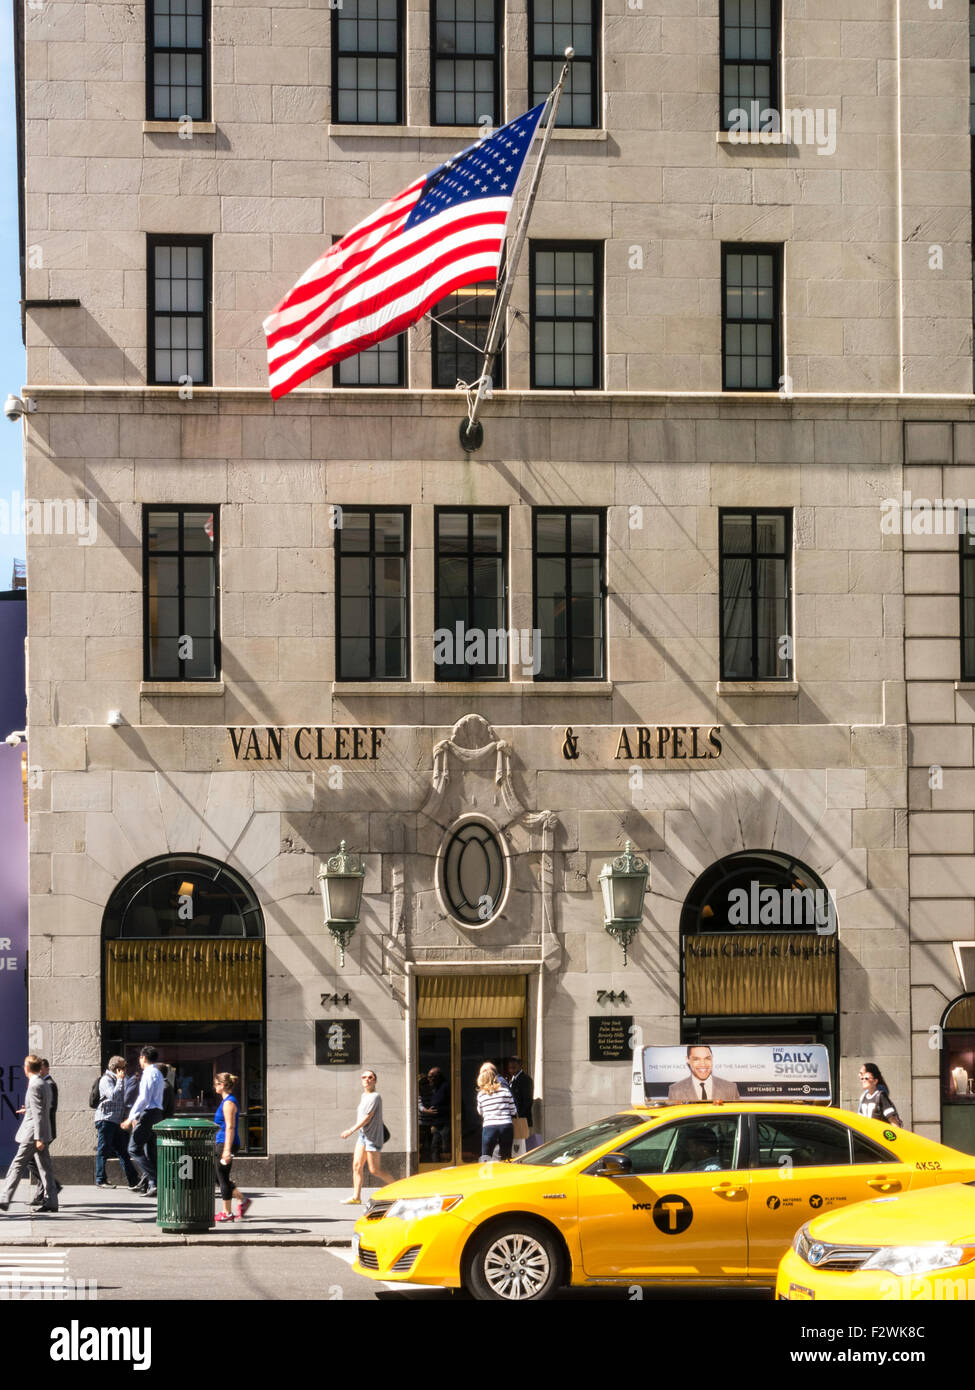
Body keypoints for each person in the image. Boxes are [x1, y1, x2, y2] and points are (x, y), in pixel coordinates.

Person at [0, 1055, 57, 1213]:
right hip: (41, 1132)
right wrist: (29, 1111)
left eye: (24, 1065)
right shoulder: (44, 1084)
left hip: (32, 1134)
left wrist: (38, 1137)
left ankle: (5, 1198)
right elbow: (43, 1109)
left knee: (17, 1164)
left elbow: (39, 1113)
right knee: (45, 1168)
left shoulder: (34, 1085)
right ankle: (52, 1201)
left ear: (27, 1068)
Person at [340, 1070, 395, 1205]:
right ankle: (356, 1197)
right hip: (363, 1136)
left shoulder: (376, 1097)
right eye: (364, 1077)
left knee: (374, 1170)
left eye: (370, 1077)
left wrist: (350, 1130)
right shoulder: (364, 1096)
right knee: (357, 1166)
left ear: (375, 1081)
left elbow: (367, 1117)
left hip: (373, 1137)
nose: (367, 1079)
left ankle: (399, 1189)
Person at [120, 1045, 165, 1197]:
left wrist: (130, 1117)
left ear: (143, 1058)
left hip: (149, 1113)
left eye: (140, 1057)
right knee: (150, 1150)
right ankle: (153, 1184)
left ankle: (155, 1179)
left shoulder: (148, 1073)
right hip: (157, 1113)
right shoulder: (158, 1073)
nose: (139, 1060)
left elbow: (144, 1098)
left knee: (133, 1148)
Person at [94, 1056, 141, 1190]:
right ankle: (100, 1179)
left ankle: (133, 1180)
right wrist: (120, 1081)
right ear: (116, 1069)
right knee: (103, 1150)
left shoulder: (119, 1080)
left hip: (116, 1121)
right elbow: (113, 1096)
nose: (126, 1070)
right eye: (123, 1067)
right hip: (106, 1119)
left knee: (123, 1151)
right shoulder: (106, 1080)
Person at [213, 1072, 252, 1223]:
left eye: (216, 1084)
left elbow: (230, 1127)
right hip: (222, 1142)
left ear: (222, 1085)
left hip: (226, 1143)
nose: (214, 1087)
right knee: (218, 1176)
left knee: (222, 1177)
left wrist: (226, 1151)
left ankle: (227, 1213)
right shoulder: (226, 1101)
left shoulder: (229, 1103)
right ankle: (242, 1199)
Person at [667, 1044, 740, 1104]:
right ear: (688, 1060)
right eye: (696, 1059)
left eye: (707, 1058)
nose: (703, 1064)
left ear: (712, 1059)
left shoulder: (730, 1089)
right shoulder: (676, 1091)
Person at [476, 1062, 516, 1161]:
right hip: (506, 1126)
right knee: (506, 1156)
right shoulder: (505, 1091)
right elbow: (513, 1111)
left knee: (486, 1156)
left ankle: (486, 1175)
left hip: (489, 1126)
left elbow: (480, 1112)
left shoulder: (481, 1094)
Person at [419, 1066, 451, 1162]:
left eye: (430, 1077)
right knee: (434, 1147)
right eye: (428, 1077)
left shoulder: (446, 1086)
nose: (429, 1080)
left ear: (437, 1077)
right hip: (436, 1124)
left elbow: (453, 1103)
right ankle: (436, 1166)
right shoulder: (435, 1088)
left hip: (445, 1122)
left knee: (446, 1148)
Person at [506, 1056, 534, 1156]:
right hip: (514, 1119)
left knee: (521, 1148)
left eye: (514, 1068)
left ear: (520, 1066)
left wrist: (519, 1115)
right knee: (516, 1147)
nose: (511, 1070)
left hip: (522, 1120)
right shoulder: (511, 1080)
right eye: (510, 1068)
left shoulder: (526, 1080)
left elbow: (528, 1101)